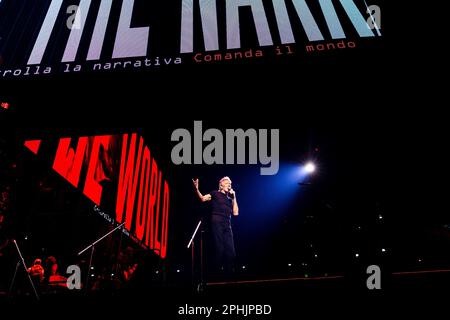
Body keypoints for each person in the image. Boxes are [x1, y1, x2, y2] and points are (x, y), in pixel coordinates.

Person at [193, 176, 239, 278]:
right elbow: (202, 198)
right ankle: (217, 273)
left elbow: (235, 213)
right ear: (221, 185)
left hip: (227, 225)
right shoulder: (215, 193)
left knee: (231, 251)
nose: (229, 185)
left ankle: (229, 274)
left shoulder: (229, 199)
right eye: (227, 183)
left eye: (230, 184)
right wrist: (196, 189)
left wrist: (234, 198)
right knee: (220, 248)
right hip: (217, 222)